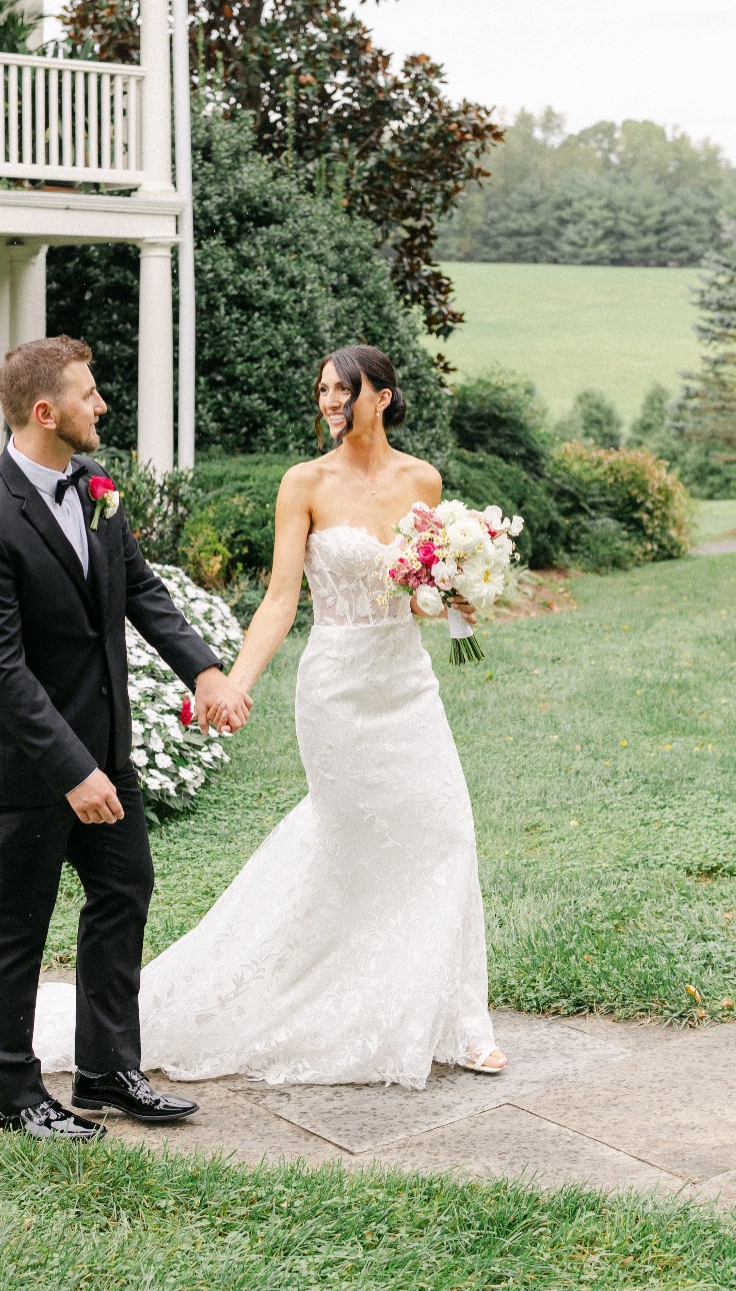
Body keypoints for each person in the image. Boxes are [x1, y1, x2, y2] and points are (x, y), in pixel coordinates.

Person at [138, 344, 506, 1085]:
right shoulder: (303, 483)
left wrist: (457, 593)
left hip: (406, 682)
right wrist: (233, 682)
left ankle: (461, 1020)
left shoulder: (421, 479)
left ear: (382, 396)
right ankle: (323, 996)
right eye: (323, 390)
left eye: (344, 389)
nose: (330, 401)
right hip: (336, 687)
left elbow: (419, 586)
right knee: (349, 844)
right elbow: (280, 596)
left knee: (444, 830)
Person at [0, 336, 251, 1142]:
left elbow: (140, 591)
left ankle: (106, 1069)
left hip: (105, 747)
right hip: (24, 764)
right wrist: (74, 771)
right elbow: (1, 671)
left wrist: (206, 671)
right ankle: (12, 1091)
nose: (101, 404)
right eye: (88, 394)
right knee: (18, 923)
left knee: (122, 891)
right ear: (45, 412)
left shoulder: (95, 486)